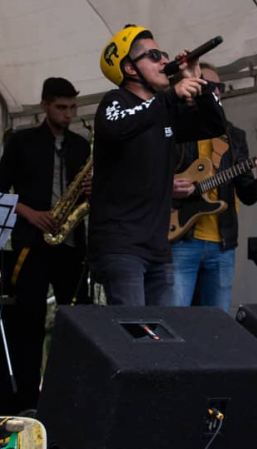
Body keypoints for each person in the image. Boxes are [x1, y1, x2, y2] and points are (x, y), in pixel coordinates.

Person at [89, 25, 226, 306]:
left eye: (163, 54)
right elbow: (116, 127)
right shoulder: (115, 101)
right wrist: (171, 94)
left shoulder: (164, 109)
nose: (165, 60)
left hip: (159, 246)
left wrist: (197, 78)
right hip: (121, 246)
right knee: (131, 335)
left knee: (161, 339)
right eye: (154, 55)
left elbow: (214, 124)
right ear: (129, 69)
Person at [0, 77, 91, 413]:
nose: (68, 114)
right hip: (31, 243)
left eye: (72, 107)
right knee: (28, 325)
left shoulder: (81, 146)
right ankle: (26, 404)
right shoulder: (21, 142)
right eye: (61, 107)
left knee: (78, 323)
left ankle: (73, 402)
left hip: (72, 243)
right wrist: (30, 214)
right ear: (45, 105)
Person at [170, 63, 257, 311]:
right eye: (211, 86)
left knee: (216, 327)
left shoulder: (233, 135)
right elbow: (149, 174)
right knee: (174, 321)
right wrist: (169, 187)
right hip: (180, 239)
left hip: (222, 244)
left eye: (220, 87)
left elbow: (246, 192)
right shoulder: (173, 128)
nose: (217, 92)